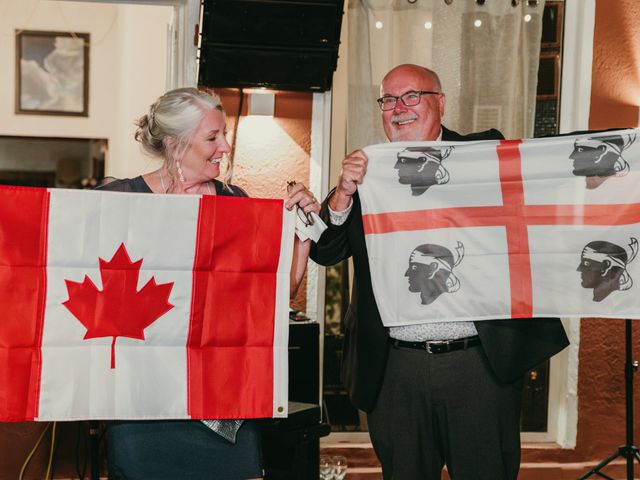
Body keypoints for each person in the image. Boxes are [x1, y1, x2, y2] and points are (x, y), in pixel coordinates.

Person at [310, 64, 570, 480]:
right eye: (389, 100)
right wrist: (343, 193)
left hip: (477, 365)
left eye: (411, 96)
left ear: (440, 102)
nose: (399, 109)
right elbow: (324, 251)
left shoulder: (483, 154)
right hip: (396, 369)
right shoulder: (367, 173)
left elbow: (550, 169)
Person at [101, 87, 320, 480]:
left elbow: (274, 295)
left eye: (224, 134)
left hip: (224, 406)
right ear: (175, 144)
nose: (225, 146)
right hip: (145, 408)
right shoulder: (120, 202)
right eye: (213, 137)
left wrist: (301, 238)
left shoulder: (236, 203)